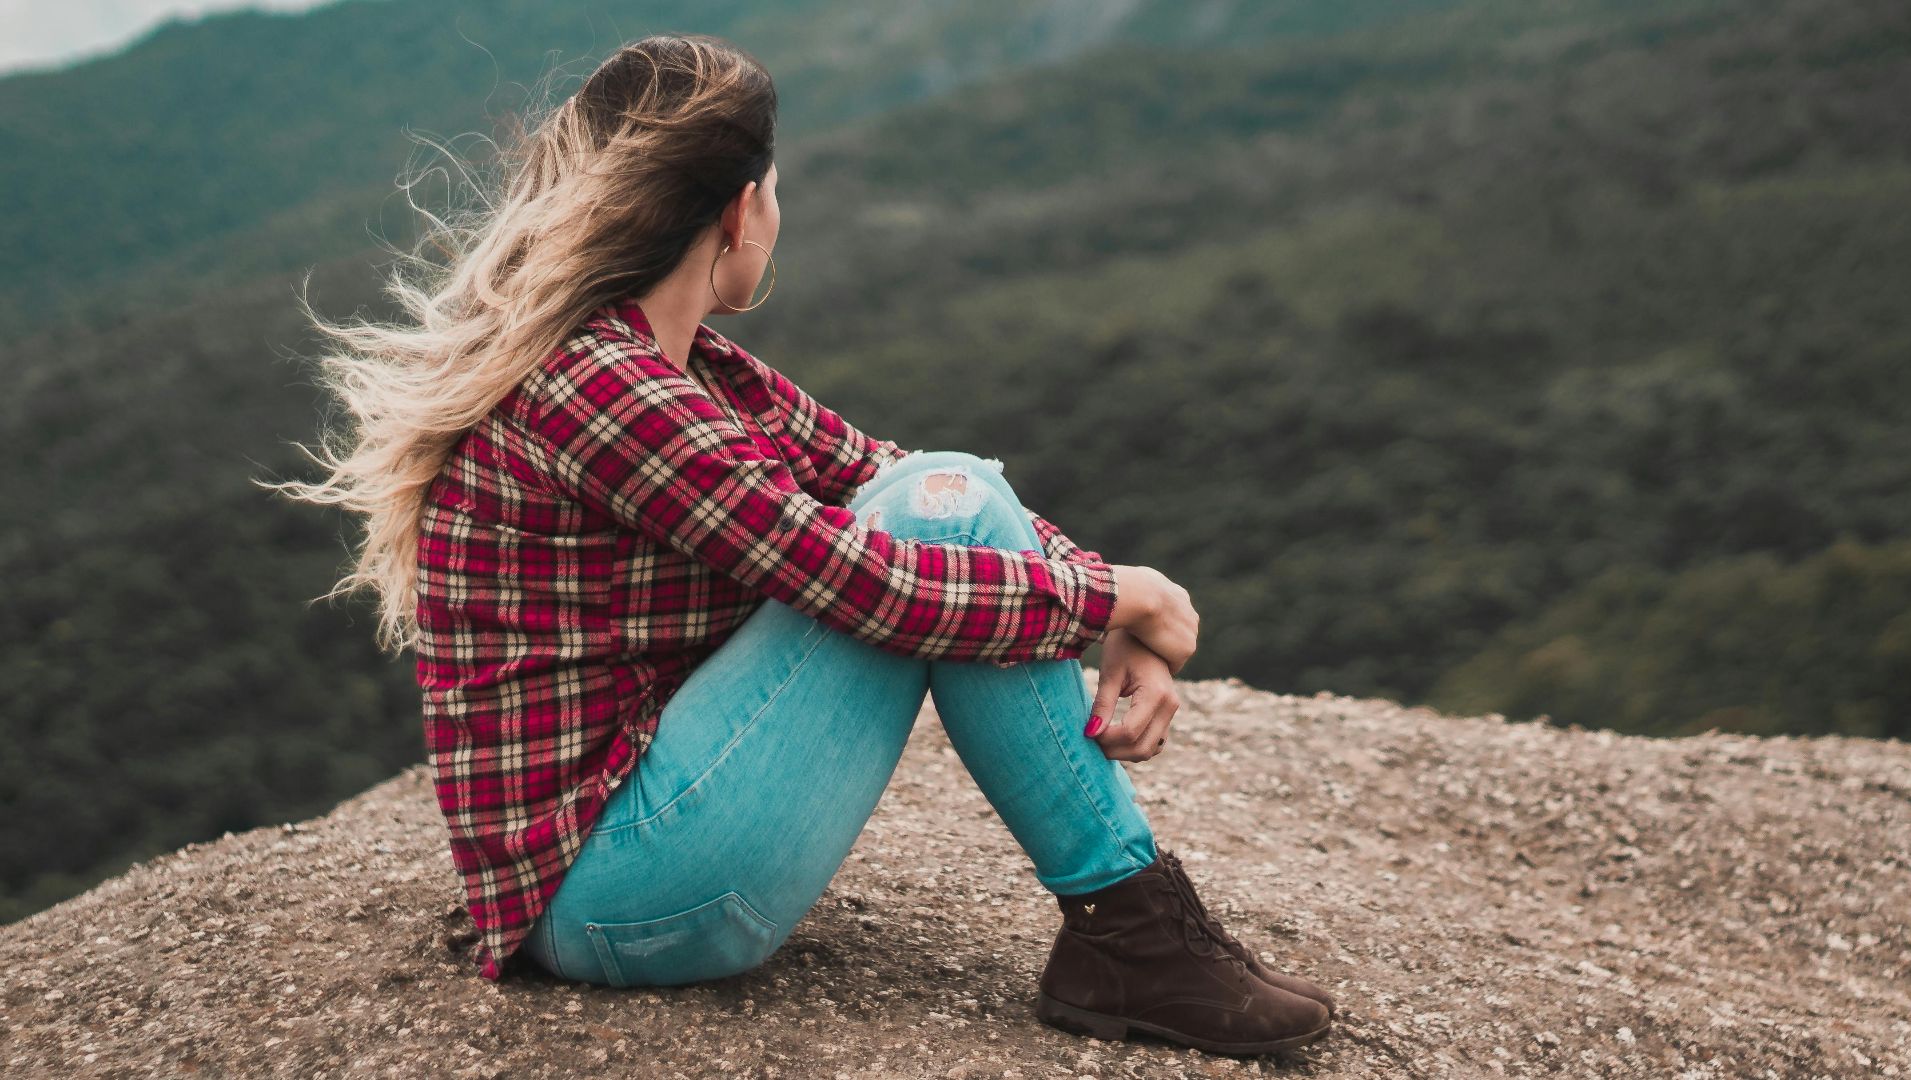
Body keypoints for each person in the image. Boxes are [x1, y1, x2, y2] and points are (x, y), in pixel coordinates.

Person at [271, 32, 1335, 1056]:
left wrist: (1107, 600)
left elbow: (899, 475)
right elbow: (863, 578)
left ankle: (1134, 935)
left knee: (938, 488)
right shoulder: (603, 387)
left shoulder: (684, 369)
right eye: (774, 193)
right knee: (929, 524)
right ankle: (1134, 936)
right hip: (613, 893)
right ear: (742, 211)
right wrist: (1115, 599)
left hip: (642, 848)